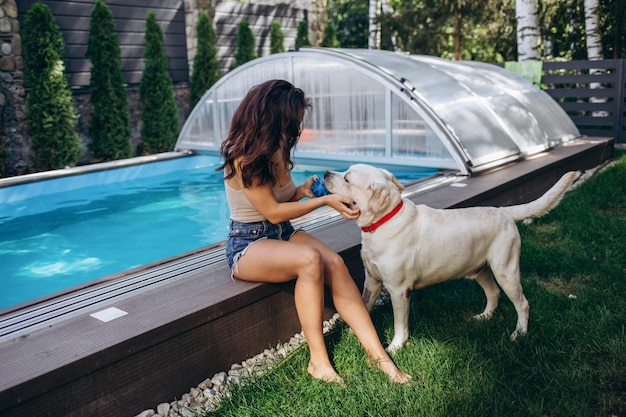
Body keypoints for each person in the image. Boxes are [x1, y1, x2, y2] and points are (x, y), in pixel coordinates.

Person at [217, 79, 411, 385]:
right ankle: (318, 362)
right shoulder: (244, 159)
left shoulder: (276, 149)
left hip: (281, 233)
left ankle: (379, 357)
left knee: (334, 262)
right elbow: (272, 211)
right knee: (309, 260)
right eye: (292, 121)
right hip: (247, 244)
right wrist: (325, 201)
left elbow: (283, 199)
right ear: (272, 117)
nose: (295, 129)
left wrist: (303, 191)